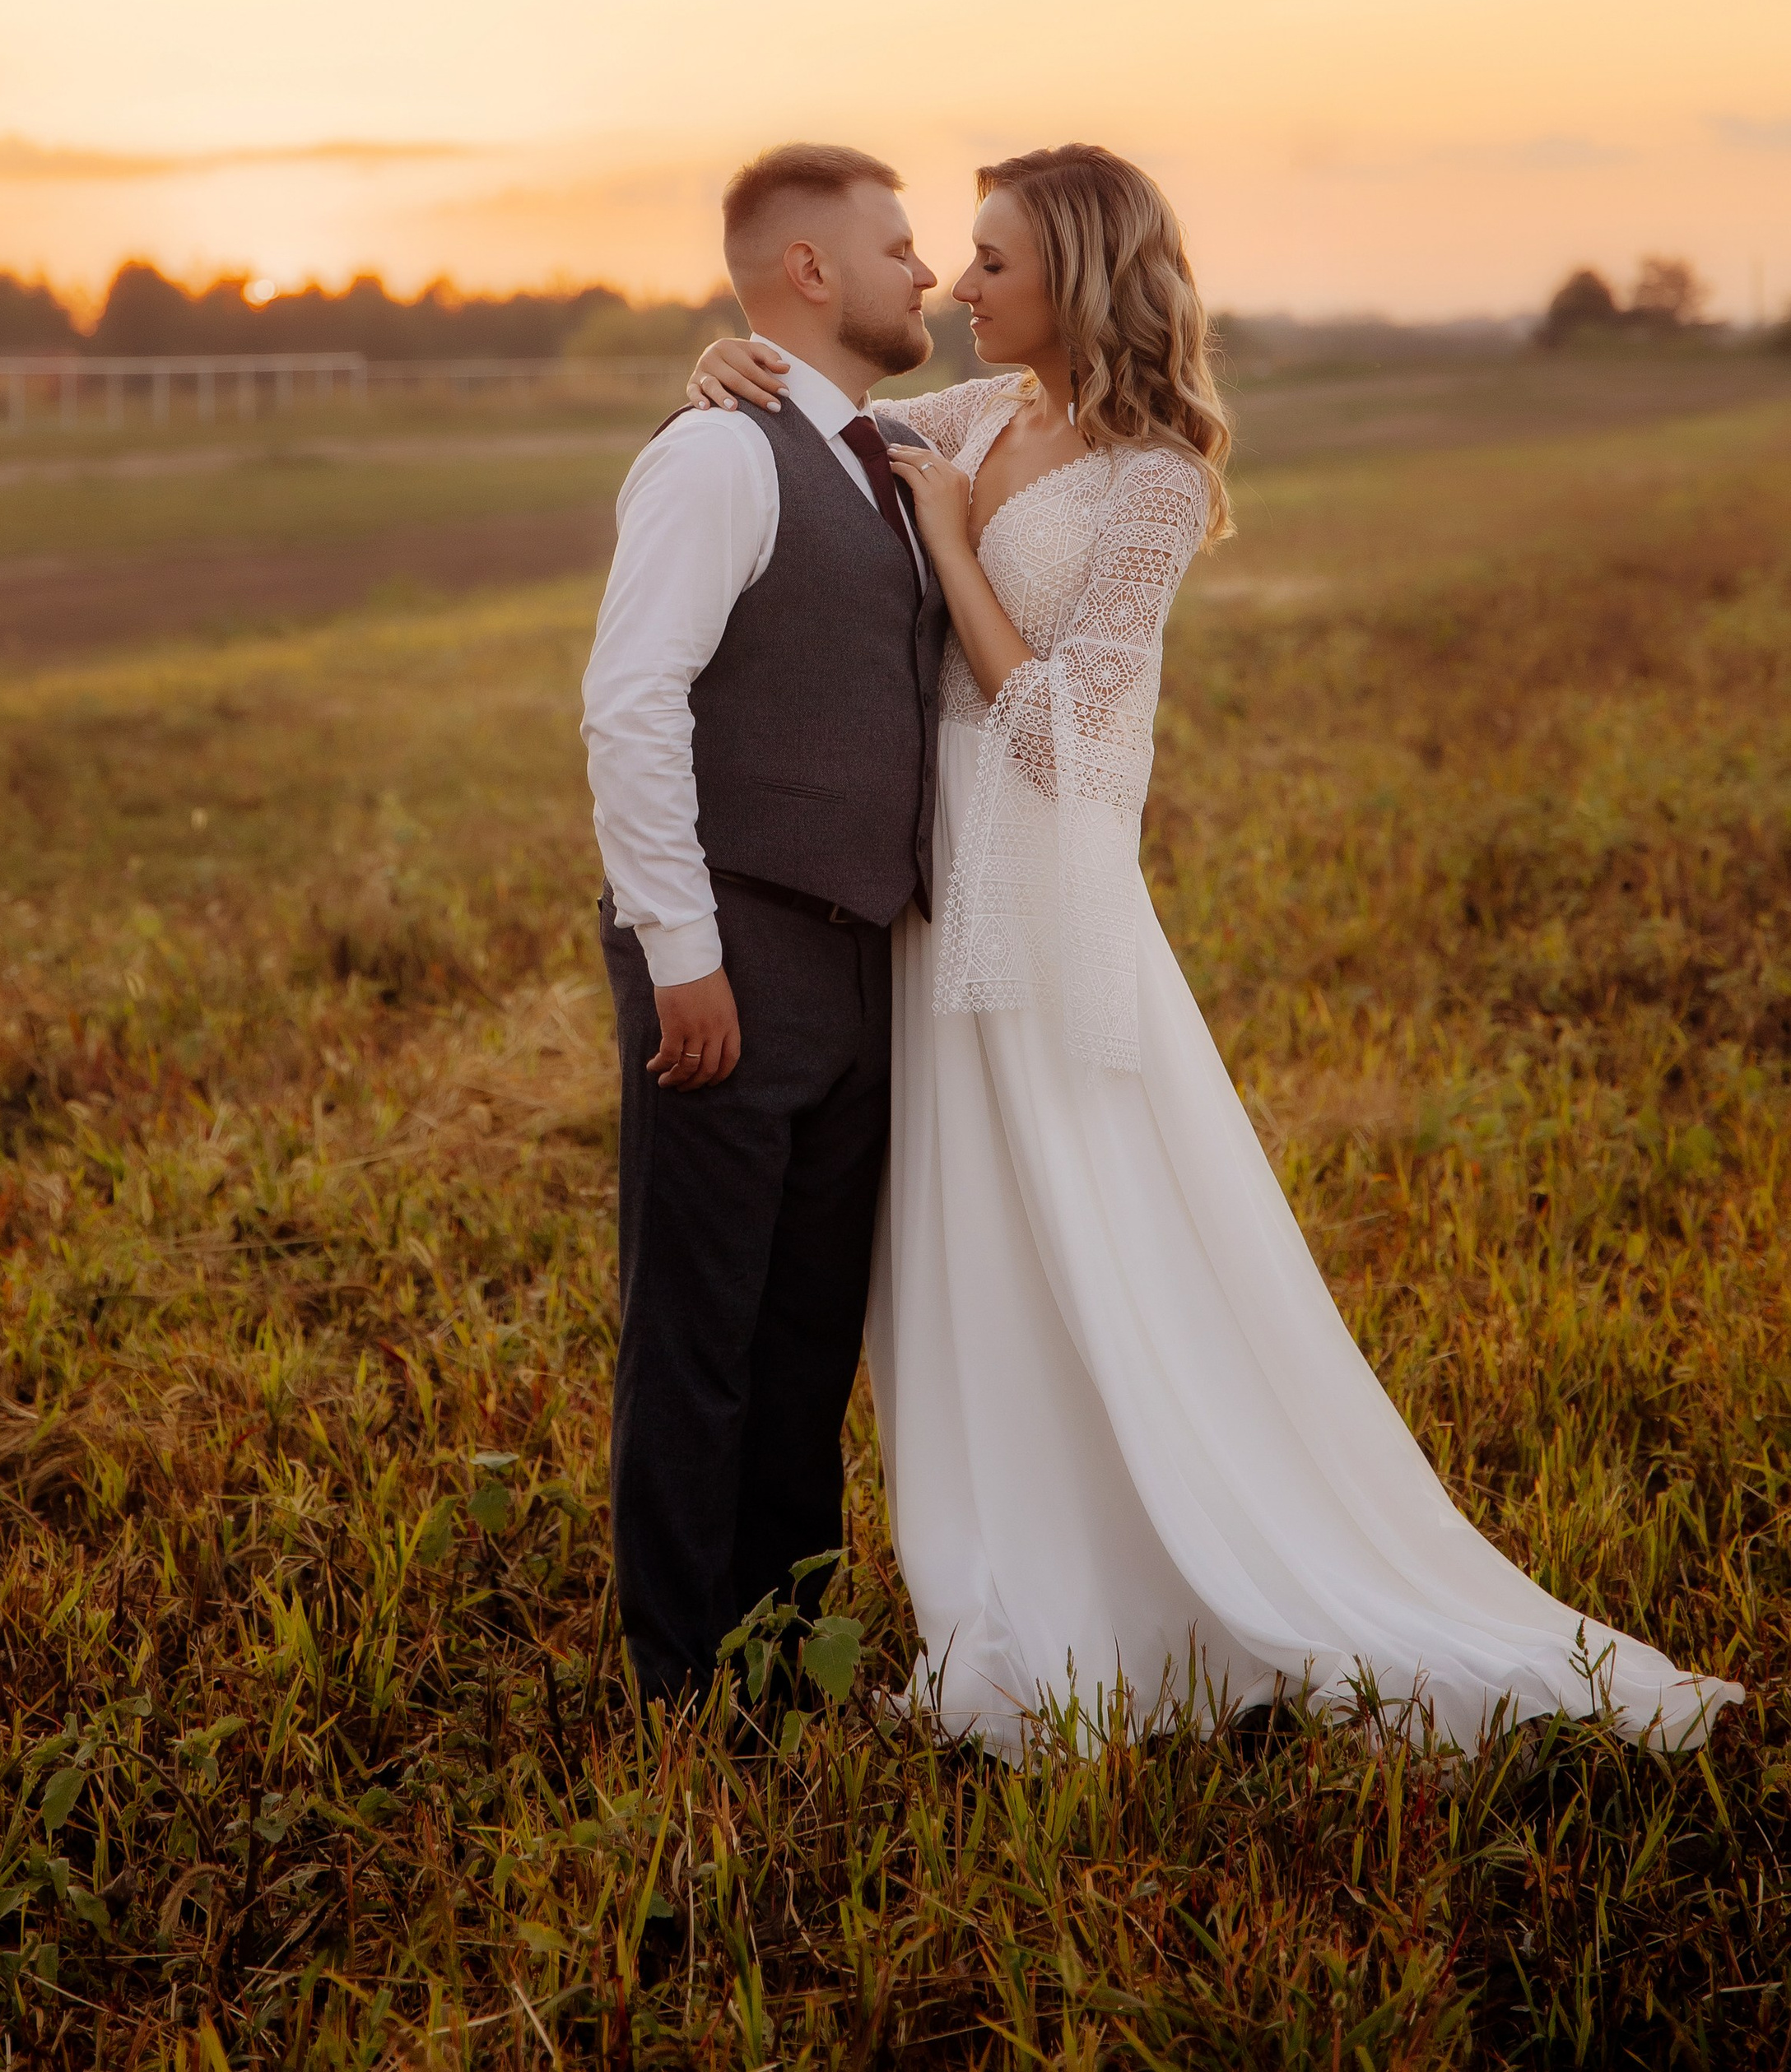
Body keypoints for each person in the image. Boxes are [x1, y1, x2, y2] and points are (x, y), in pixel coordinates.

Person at [685, 142, 1739, 1751]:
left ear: (1079, 280)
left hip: (1037, 895)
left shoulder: (1153, 475)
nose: (959, 287)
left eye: (990, 262)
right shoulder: (970, 416)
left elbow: (1070, 745)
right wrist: (722, 363)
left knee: (1086, 1217)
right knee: (964, 1244)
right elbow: (829, 430)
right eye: (957, 258)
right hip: (929, 895)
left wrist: (958, 551)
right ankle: (1001, 1571)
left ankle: (1161, 1577)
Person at [581, 142, 948, 1708]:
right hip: (732, 952)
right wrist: (683, 954)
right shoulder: (719, 455)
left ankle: (786, 1661)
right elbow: (630, 699)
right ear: (808, 269)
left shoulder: (881, 441)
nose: (928, 272)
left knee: (804, 1335)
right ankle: (680, 1682)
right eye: (901, 244)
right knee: (701, 1329)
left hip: (856, 954)